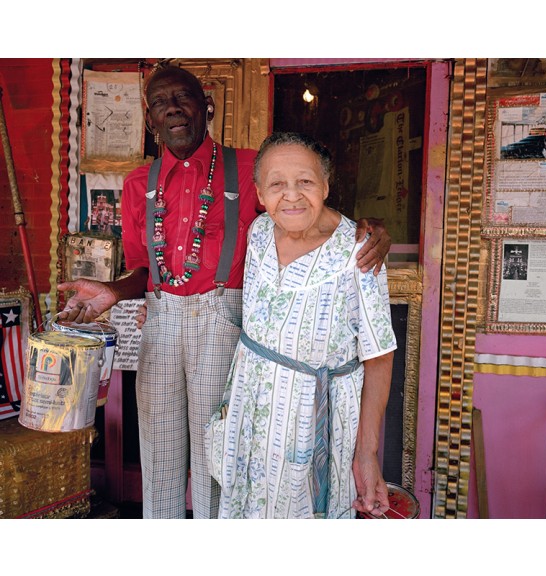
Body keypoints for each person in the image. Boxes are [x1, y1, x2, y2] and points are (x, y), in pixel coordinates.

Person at [57, 65, 392, 520]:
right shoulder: (139, 184)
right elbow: (144, 271)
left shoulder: (251, 167)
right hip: (159, 321)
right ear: (149, 117)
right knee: (158, 453)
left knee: (218, 458)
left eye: (183, 98)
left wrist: (371, 229)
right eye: (159, 102)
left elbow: (303, 206)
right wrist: (114, 292)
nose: (172, 108)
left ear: (207, 106)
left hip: (221, 322)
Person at [205, 132, 397, 519]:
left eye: (305, 182)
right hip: (251, 411)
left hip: (314, 417)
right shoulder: (258, 232)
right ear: (260, 193)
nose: (291, 195)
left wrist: (367, 452)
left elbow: (379, 354)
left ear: (326, 186)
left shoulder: (360, 251)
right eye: (277, 184)